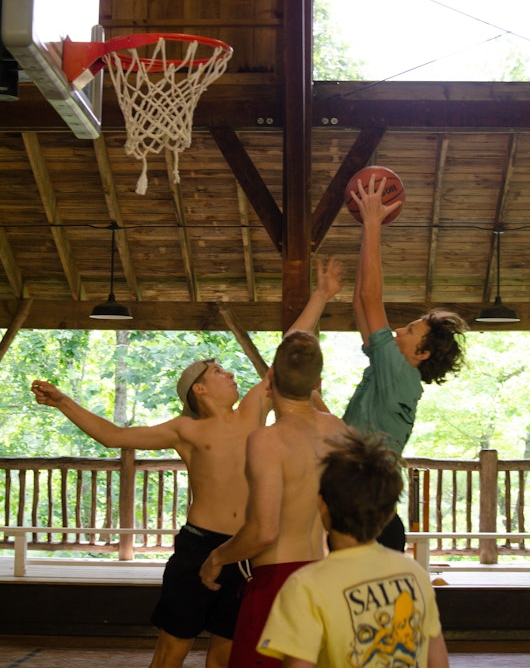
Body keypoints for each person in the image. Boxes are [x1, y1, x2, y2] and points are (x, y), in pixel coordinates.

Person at [30, 257, 344, 668]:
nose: (230, 374)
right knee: (173, 648)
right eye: (218, 371)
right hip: (198, 548)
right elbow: (114, 436)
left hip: (244, 550)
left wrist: (320, 294)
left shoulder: (253, 412)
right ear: (199, 388)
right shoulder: (186, 431)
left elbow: (288, 352)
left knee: (225, 652)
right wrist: (64, 402)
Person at [199, 329, 349, 668]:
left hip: (279, 584)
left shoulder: (268, 440)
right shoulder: (339, 430)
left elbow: (264, 531)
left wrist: (218, 557)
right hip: (325, 577)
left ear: (270, 380)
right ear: (317, 381)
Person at [343, 172, 467, 550]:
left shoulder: (399, 373)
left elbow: (369, 299)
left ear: (421, 354)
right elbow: (359, 304)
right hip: (365, 516)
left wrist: (373, 223)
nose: (398, 331)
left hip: (370, 523)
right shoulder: (392, 370)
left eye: (410, 331)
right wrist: (368, 228)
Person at [257, 428, 449, 668]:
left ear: (321, 505)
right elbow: (438, 661)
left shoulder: (305, 586)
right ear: (389, 515)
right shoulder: (415, 574)